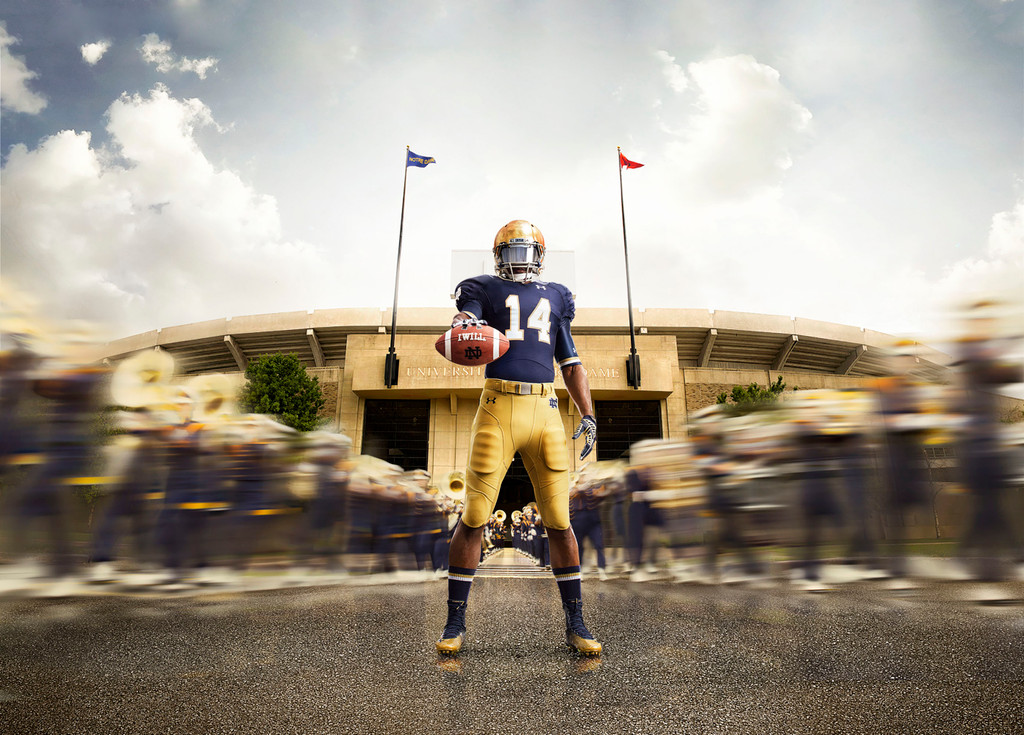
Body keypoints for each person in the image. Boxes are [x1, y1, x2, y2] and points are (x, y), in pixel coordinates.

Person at [436, 220, 601, 657]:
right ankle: (455, 621)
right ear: (498, 256)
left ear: (540, 256)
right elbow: (468, 314)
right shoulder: (483, 288)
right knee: (474, 514)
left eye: (526, 251)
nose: (519, 260)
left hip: (546, 410)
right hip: (498, 407)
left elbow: (571, 362)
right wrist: (464, 321)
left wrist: (588, 413)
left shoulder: (557, 295)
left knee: (559, 520)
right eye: (511, 252)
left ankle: (576, 622)